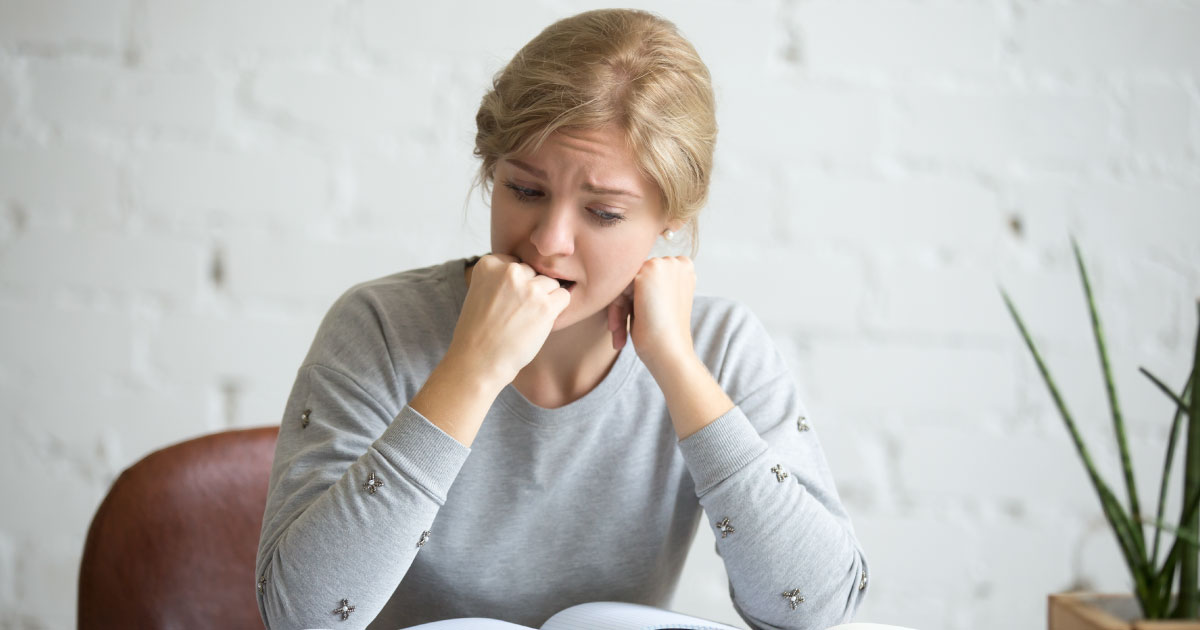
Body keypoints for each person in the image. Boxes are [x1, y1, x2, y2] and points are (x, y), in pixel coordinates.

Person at [255, 8, 868, 630]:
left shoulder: (721, 346)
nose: (548, 242)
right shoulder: (381, 326)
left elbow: (816, 609)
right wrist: (471, 370)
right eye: (524, 191)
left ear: (672, 215)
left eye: (602, 212)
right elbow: (301, 617)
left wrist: (678, 369)